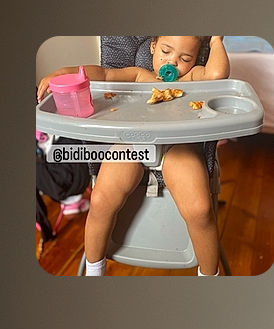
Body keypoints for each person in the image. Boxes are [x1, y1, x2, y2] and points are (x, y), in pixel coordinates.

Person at [37, 36, 230, 276]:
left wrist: (216, 42)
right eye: (166, 51)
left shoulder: (191, 78)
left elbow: (216, 76)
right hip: (133, 143)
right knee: (100, 202)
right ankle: (94, 272)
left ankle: (210, 276)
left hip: (178, 148)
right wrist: (66, 72)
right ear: (153, 47)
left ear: (195, 59)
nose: (173, 62)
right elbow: (105, 74)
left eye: (185, 58)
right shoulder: (141, 75)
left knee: (200, 210)